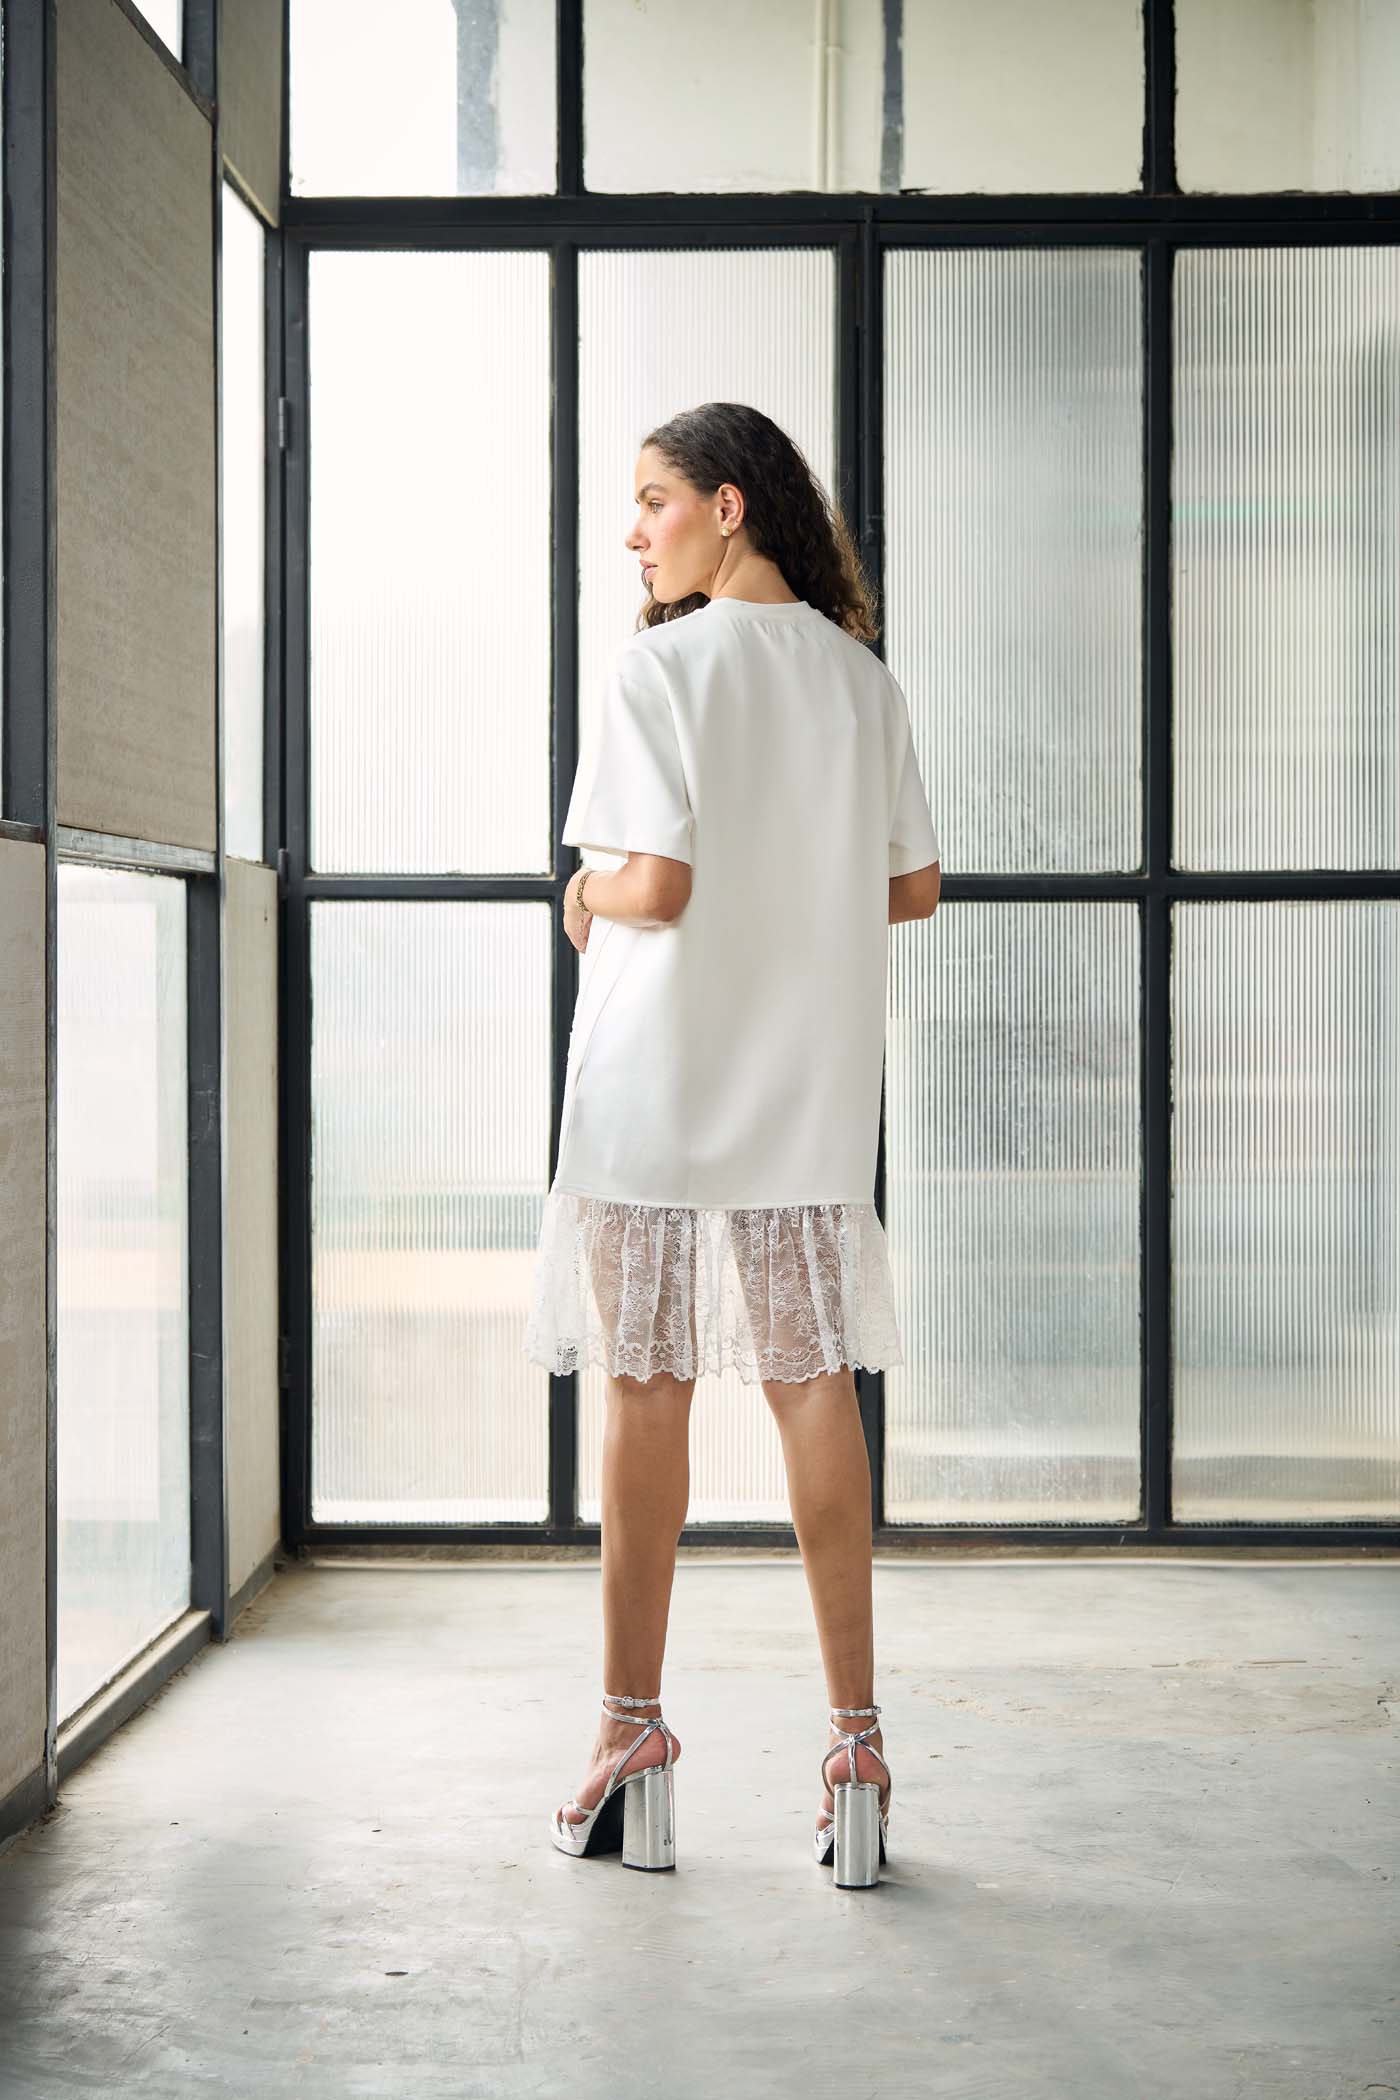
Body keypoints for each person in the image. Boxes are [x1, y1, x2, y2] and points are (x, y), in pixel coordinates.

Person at [523, 401, 941, 1887]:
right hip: (804, 1089)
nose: (632, 533)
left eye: (649, 502)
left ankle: (630, 1737)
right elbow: (914, 891)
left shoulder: (663, 666)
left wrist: (582, 896)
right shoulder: (858, 682)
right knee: (810, 1388)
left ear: (728, 505)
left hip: (659, 1082)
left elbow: (658, 881)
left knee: (647, 1395)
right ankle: (858, 1750)